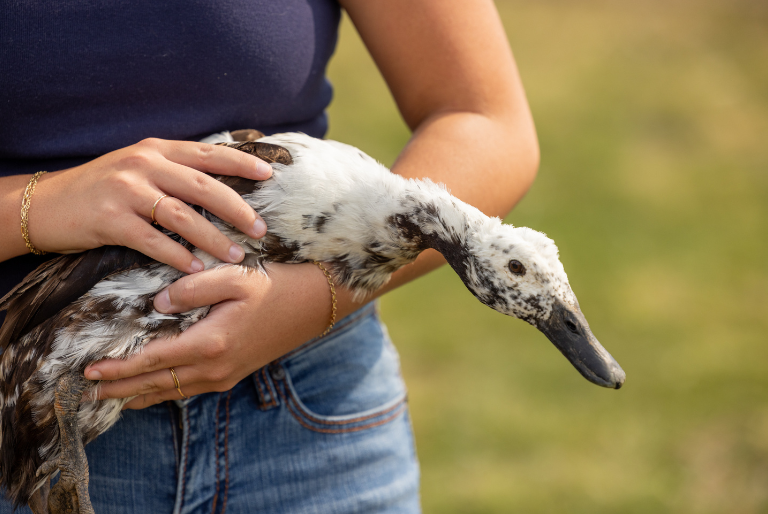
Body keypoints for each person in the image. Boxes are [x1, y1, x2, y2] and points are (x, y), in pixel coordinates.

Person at [0, 0, 539, 512]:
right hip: (35, 409)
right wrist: (34, 207)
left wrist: (315, 299)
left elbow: (484, 117)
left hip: (310, 407)